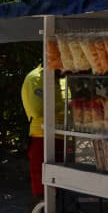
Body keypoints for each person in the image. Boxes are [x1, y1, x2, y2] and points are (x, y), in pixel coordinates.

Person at [22, 64, 67, 197]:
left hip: (65, 138)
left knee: (61, 190)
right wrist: (67, 105)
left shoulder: (64, 78)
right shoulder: (35, 77)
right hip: (42, 138)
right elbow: (38, 109)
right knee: (42, 190)